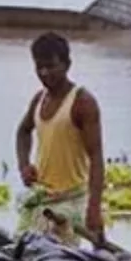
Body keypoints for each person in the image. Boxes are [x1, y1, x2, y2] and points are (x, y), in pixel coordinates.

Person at [14, 32, 106, 246]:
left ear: (66, 64)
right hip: (44, 198)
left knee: (60, 260)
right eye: (39, 68)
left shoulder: (82, 102)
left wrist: (94, 209)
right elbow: (23, 132)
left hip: (73, 199)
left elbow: (96, 157)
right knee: (21, 250)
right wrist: (24, 165)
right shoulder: (39, 99)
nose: (45, 73)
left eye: (51, 66)